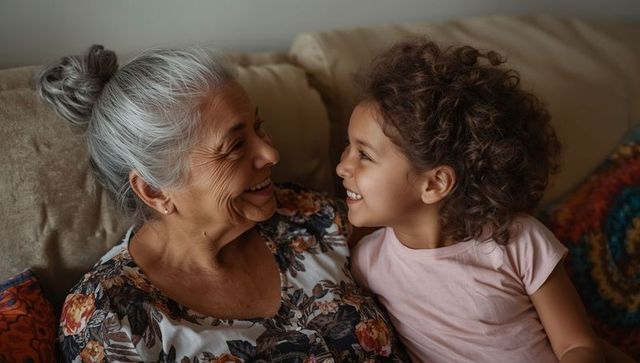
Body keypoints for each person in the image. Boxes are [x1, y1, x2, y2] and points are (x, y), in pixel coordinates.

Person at [37, 44, 409, 362]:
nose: (271, 153)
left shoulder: (307, 216)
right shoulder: (110, 316)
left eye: (258, 128)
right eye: (234, 146)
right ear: (154, 191)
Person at [337, 38, 635, 363]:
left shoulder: (516, 241)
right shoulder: (367, 264)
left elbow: (578, 346)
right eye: (348, 148)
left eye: (363, 154)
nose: (341, 166)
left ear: (435, 183)